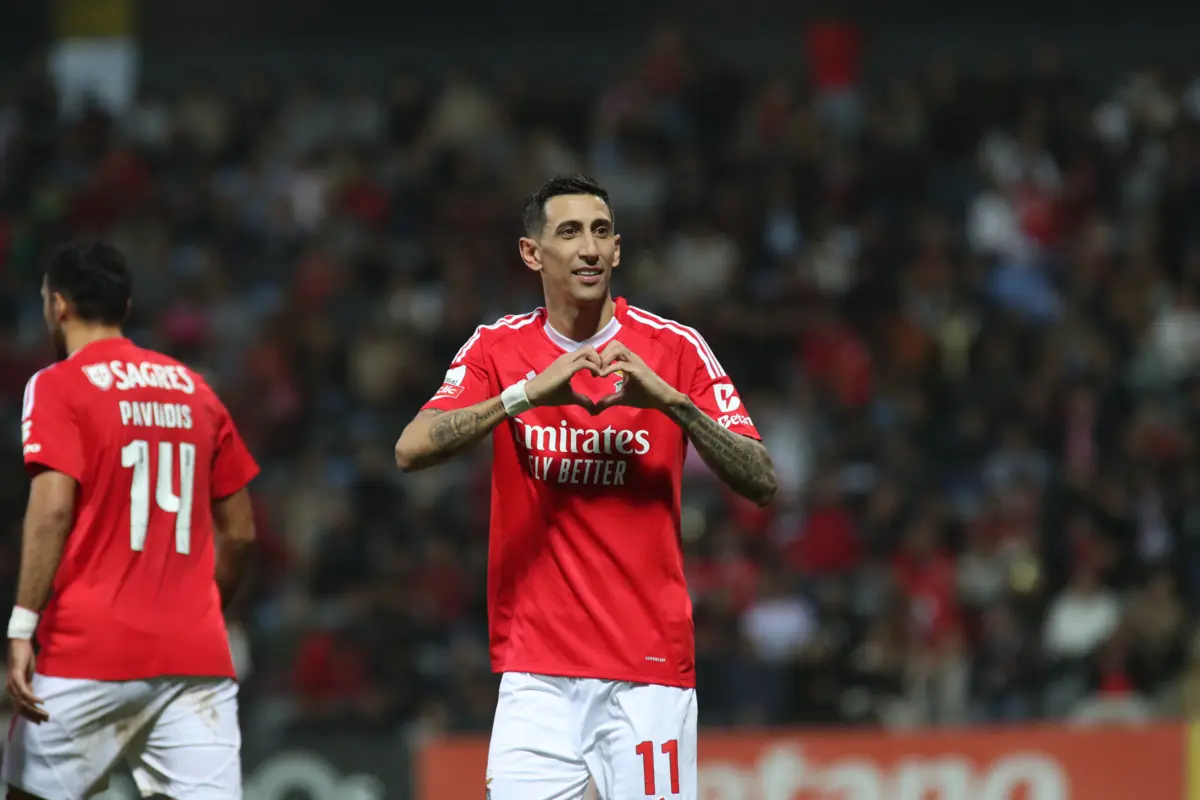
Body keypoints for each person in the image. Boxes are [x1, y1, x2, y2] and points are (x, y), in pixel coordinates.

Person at [394, 174, 778, 799]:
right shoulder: (497, 348)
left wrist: (672, 402)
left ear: (619, 249)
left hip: (649, 672)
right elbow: (411, 448)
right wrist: (526, 395)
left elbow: (761, 480)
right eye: (569, 233)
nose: (589, 248)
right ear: (531, 253)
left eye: (601, 232)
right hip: (536, 675)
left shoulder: (673, 349)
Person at [3, 243, 259, 800]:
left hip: (87, 649)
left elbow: (51, 509)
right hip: (196, 658)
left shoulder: (57, 385)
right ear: (127, 305)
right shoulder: (197, 390)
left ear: (59, 305)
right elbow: (240, 530)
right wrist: (202, 607)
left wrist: (22, 626)